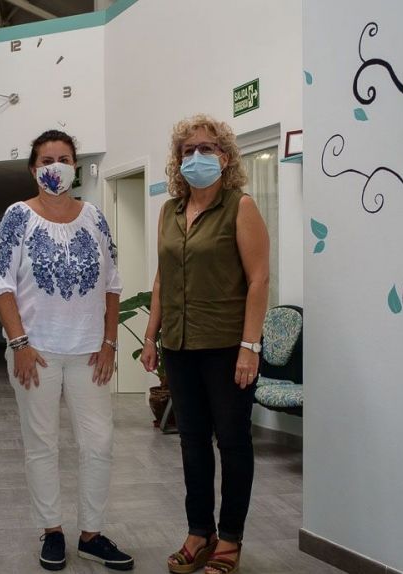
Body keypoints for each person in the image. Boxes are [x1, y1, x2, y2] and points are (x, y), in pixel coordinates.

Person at [0, 130, 134, 572]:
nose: (56, 166)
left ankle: (91, 534)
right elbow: (1, 285)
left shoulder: (94, 216)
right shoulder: (18, 217)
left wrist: (110, 342)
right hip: (37, 353)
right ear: (34, 169)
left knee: (98, 443)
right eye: (47, 159)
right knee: (41, 444)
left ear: (75, 166)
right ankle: (52, 531)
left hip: (90, 352)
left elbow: (112, 284)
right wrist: (20, 344)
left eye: (64, 158)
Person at [140, 115, 270, 574]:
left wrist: (249, 346)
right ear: (178, 160)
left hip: (226, 347)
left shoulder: (241, 206)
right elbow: (162, 279)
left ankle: (230, 540)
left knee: (232, 442)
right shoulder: (169, 211)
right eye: (188, 150)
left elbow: (258, 280)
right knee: (191, 442)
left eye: (207, 148)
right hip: (179, 345)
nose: (197, 156)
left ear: (225, 156)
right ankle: (200, 532)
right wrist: (152, 337)